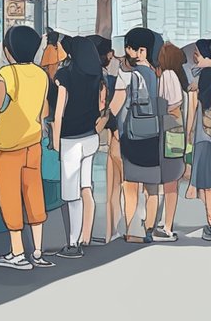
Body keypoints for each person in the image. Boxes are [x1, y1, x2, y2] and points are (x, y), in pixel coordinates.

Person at [0, 25, 52, 270]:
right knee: (34, 193)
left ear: (7, 50)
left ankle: (17, 252)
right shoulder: (41, 74)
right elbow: (44, 110)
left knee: (10, 196)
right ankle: (37, 249)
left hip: (7, 144)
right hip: (33, 142)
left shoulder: (7, 73)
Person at [52, 36, 108, 258]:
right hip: (90, 138)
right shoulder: (97, 75)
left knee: (71, 194)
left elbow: (59, 112)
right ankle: (86, 235)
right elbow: (100, 106)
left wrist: (55, 142)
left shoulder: (65, 75)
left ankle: (73, 244)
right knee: (86, 186)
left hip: (71, 139)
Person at [109, 27, 164, 243]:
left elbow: (116, 107)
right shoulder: (156, 75)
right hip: (153, 134)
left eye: (129, 49)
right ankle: (149, 228)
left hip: (132, 136)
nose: (127, 53)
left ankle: (132, 230)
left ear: (137, 50)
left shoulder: (128, 76)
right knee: (152, 186)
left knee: (130, 185)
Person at [91, 36, 123, 245]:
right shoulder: (107, 78)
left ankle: (98, 232)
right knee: (113, 186)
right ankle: (110, 231)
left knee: (91, 188)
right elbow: (109, 109)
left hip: (90, 135)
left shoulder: (81, 74)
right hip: (107, 133)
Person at [155, 41, 188, 241]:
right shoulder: (176, 76)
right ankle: (166, 223)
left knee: (169, 181)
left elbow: (169, 104)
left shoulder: (167, 76)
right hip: (176, 130)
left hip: (168, 130)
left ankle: (166, 226)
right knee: (171, 180)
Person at [186, 40, 211, 241]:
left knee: (207, 183)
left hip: (205, 137)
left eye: (197, 54)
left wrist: (188, 132)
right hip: (205, 135)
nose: (194, 57)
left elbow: (197, 109)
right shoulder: (201, 76)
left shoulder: (204, 78)